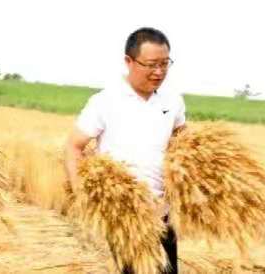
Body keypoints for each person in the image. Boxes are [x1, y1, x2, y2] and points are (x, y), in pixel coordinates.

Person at [64, 27, 185, 274]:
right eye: (151, 64)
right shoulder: (104, 102)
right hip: (124, 214)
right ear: (129, 61)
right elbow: (73, 147)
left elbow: (182, 140)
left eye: (165, 63)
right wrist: (82, 195)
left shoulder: (173, 101)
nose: (159, 71)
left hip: (163, 213)